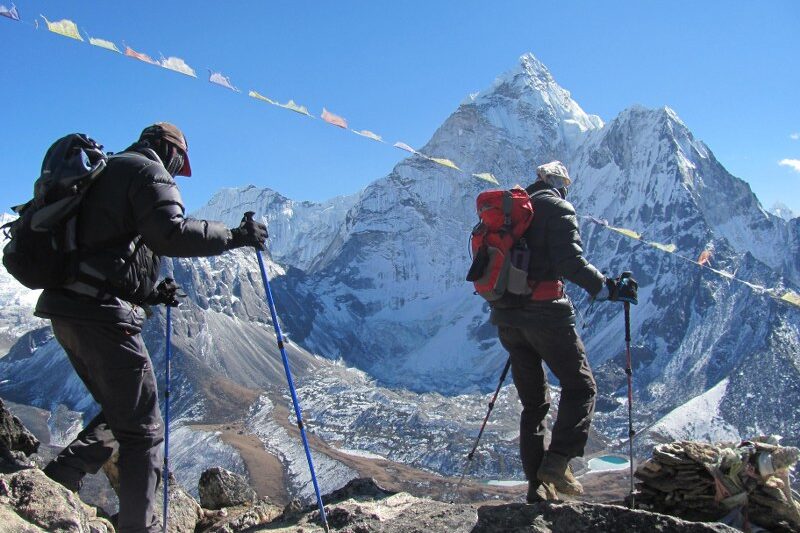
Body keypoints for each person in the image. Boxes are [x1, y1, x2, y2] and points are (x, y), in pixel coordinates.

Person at [35, 122, 267, 533]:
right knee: (143, 431)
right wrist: (234, 236)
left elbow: (105, 251)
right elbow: (170, 234)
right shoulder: (148, 171)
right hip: (101, 315)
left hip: (67, 310)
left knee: (121, 409)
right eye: (180, 163)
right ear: (169, 151)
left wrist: (151, 292)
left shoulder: (107, 173)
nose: (178, 173)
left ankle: (59, 479)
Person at [489, 160, 634, 502]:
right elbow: (570, 262)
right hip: (546, 316)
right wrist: (609, 289)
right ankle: (556, 463)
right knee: (581, 387)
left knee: (534, 405)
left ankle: (537, 489)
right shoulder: (558, 208)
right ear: (560, 184)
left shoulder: (513, 213)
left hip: (507, 318)